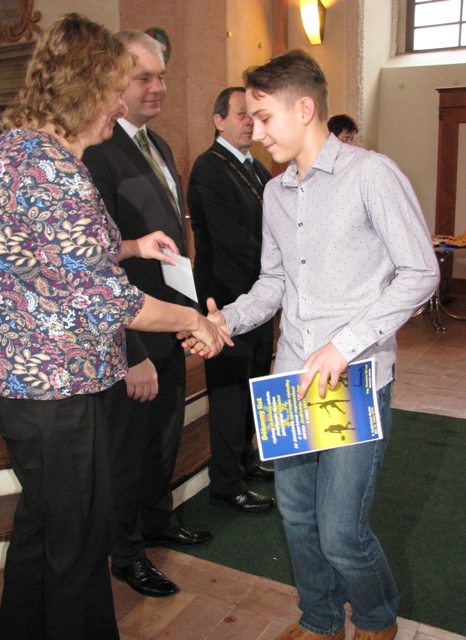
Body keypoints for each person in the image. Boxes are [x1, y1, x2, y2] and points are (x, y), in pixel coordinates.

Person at [0, 14, 229, 640]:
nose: (119, 106)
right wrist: (192, 319)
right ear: (84, 91)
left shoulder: (17, 148)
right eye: (114, 90)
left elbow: (47, 257)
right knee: (79, 545)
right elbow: (104, 301)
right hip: (55, 386)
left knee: (43, 530)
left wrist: (130, 246)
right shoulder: (54, 168)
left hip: (27, 382)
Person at [194, 50, 440, 640]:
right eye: (250, 118)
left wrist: (343, 344)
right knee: (298, 517)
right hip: (292, 378)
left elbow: (421, 271)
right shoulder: (276, 192)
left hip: (352, 377)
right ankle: (320, 620)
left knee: (341, 532)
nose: (255, 130)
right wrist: (225, 321)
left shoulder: (370, 174)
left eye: (264, 116)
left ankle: (376, 622)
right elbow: (274, 283)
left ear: (304, 109)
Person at [82, 29, 212, 600]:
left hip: (170, 318)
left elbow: (171, 239)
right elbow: (95, 265)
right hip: (131, 330)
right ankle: (127, 553)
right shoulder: (96, 150)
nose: (158, 87)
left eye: (161, 76)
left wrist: (189, 311)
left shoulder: (155, 143)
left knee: (163, 435)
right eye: (144, 78)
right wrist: (129, 352)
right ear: (114, 79)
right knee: (129, 450)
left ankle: (158, 521)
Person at [187, 87, 276, 512]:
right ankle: (226, 481)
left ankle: (245, 460)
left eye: (253, 115)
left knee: (255, 380)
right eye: (240, 114)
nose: (249, 122)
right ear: (218, 120)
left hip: (259, 294)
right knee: (228, 392)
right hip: (223, 298)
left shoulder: (257, 167)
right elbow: (231, 239)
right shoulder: (209, 168)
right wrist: (280, 266)